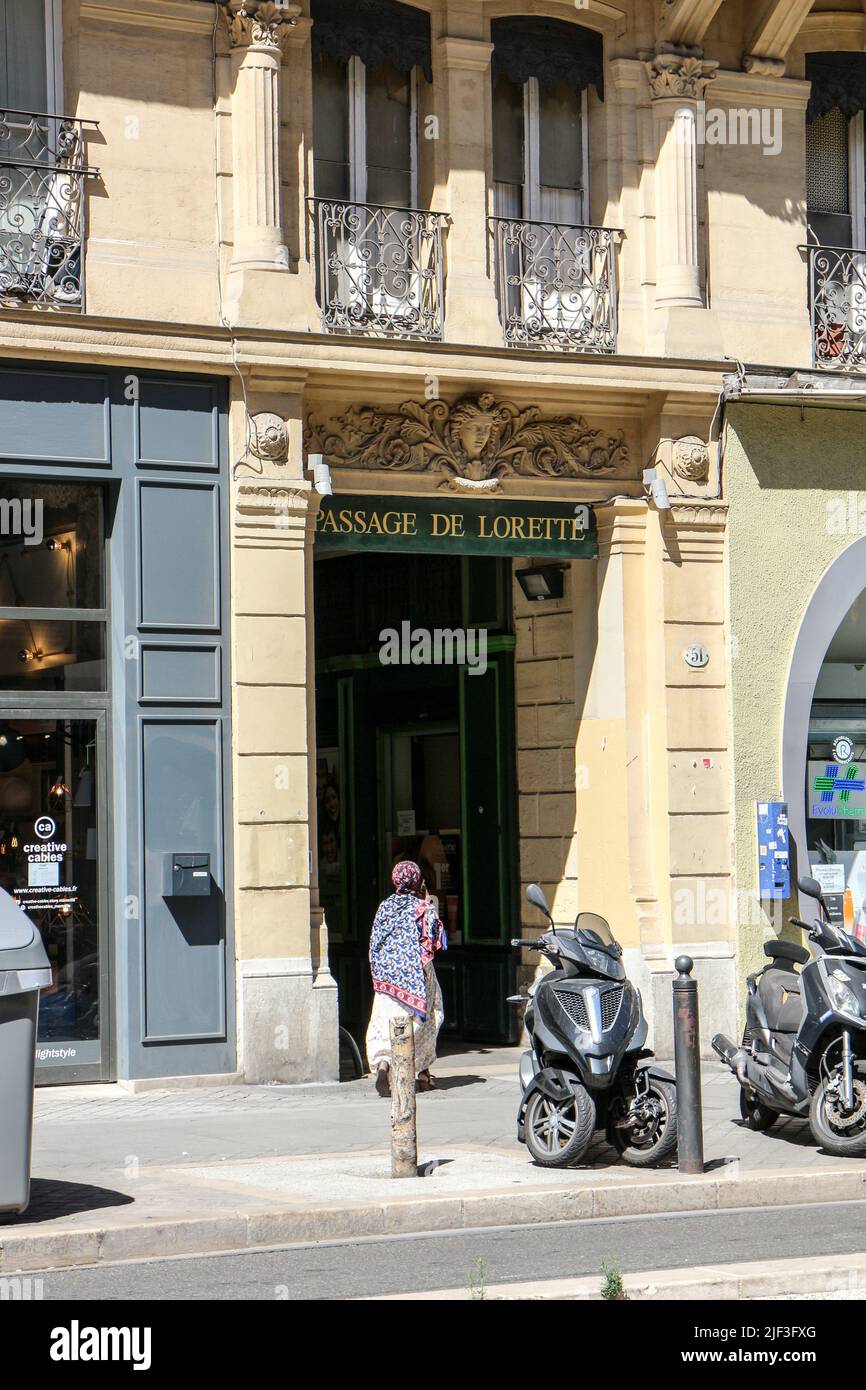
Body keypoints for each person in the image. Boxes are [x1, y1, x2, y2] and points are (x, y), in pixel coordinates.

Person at [366, 859, 446, 1096]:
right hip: (416, 978)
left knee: (383, 1021)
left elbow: (375, 942)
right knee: (429, 1015)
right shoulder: (422, 908)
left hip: (386, 979)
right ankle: (421, 1072)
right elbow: (435, 940)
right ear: (417, 880)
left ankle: (383, 1063)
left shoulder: (384, 907)